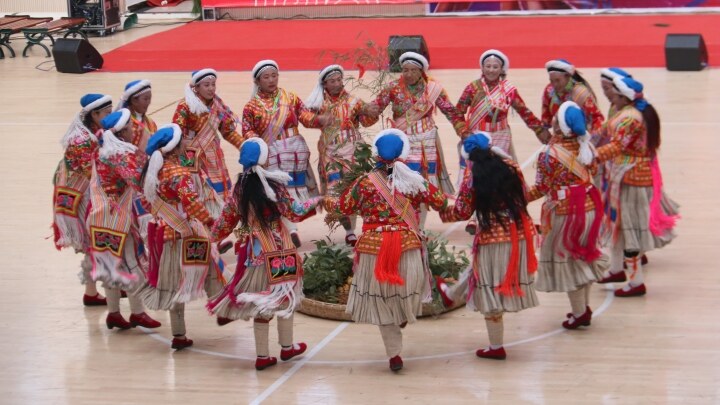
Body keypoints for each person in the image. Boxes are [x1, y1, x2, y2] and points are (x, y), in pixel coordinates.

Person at [328, 128, 448, 372]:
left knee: (380, 301)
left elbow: (342, 207)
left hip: (373, 250)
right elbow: (441, 201)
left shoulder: (364, 183)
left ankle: (394, 355)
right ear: (403, 153)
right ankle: (402, 317)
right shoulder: (414, 180)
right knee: (407, 292)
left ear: (376, 154)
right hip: (407, 247)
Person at [206, 138, 323, 370]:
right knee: (285, 296)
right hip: (280, 249)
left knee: (262, 302)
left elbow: (225, 222)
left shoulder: (240, 189)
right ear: (264, 159)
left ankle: (262, 356)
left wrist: (211, 236)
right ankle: (287, 347)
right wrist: (318, 200)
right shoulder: (275, 186)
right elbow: (295, 211)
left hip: (256, 253)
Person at [437, 132, 538, 360]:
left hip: (493, 238)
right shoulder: (512, 167)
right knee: (479, 273)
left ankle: (496, 346)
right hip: (520, 234)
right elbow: (524, 195)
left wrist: (443, 210)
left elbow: (462, 211)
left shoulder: (472, 178)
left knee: (488, 288)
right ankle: (451, 293)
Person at [139, 123, 225, 349]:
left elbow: (147, 202)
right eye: (183, 140)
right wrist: (210, 221)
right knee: (212, 266)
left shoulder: (154, 172)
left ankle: (179, 335)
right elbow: (191, 203)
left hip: (165, 232)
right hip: (186, 232)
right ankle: (222, 309)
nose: (187, 142)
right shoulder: (179, 173)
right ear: (175, 148)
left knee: (174, 282)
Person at [526, 101, 608, 329]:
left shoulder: (549, 154)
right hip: (590, 209)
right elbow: (593, 171)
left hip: (565, 214)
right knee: (583, 256)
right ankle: (584, 307)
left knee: (571, 263)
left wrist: (519, 199)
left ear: (559, 127)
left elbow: (541, 188)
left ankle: (579, 313)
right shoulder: (586, 147)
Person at [595, 77, 679, 297]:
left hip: (631, 178)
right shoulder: (625, 111)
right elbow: (606, 134)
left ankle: (636, 282)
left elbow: (616, 146)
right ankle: (616, 269)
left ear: (624, 97)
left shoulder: (630, 118)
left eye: (612, 91)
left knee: (629, 229)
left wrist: (592, 156)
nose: (609, 94)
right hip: (623, 175)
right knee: (617, 224)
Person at [369, 52, 470, 228]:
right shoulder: (392, 88)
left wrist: (463, 132)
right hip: (402, 143)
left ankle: (419, 227)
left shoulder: (433, 89)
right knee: (399, 180)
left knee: (423, 183)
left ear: (421, 71)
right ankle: (402, 221)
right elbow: (374, 110)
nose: (408, 74)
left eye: (413, 70)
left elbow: (451, 112)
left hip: (426, 143)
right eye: (405, 70)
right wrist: (361, 112)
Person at [456, 49, 548, 235]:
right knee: (474, 174)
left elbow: (524, 111)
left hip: (501, 137)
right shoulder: (473, 88)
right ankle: (475, 215)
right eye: (488, 66)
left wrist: (539, 130)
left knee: (498, 174)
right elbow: (458, 112)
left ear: (502, 69)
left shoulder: (509, 90)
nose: (491, 70)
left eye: (495, 67)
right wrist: (463, 132)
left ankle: (502, 212)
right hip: (477, 137)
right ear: (482, 67)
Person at [85, 109, 161, 330]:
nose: (133, 130)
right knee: (131, 261)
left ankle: (114, 313)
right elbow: (139, 181)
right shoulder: (119, 156)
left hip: (99, 216)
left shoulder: (104, 149)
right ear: (121, 132)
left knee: (109, 264)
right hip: (117, 218)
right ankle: (137, 313)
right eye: (129, 127)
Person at [242, 60, 328, 247]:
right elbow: (247, 131)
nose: (271, 80)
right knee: (278, 191)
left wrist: (318, 120)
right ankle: (290, 230)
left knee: (293, 190)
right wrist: (257, 148)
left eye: (274, 76)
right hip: (271, 153)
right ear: (257, 81)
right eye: (266, 77)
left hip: (294, 152)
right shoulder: (251, 107)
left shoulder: (290, 98)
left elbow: (305, 116)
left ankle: (291, 229)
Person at [306, 64, 379, 246]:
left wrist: (373, 113)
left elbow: (366, 121)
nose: (337, 83)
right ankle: (349, 231)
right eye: (332, 81)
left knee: (357, 188)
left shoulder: (354, 101)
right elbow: (304, 117)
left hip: (354, 152)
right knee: (337, 191)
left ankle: (364, 227)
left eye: (339, 80)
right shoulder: (318, 103)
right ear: (324, 84)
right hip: (331, 154)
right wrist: (319, 119)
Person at [52, 93, 113, 307]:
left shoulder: (95, 132)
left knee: (96, 242)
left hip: (89, 192)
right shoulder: (81, 140)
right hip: (82, 196)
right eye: (107, 113)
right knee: (93, 242)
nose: (110, 116)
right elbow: (92, 172)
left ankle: (98, 289)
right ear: (94, 114)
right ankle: (96, 290)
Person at [172, 68, 242, 213]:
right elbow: (176, 132)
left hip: (214, 155)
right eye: (206, 85)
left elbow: (228, 131)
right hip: (192, 155)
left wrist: (243, 145)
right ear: (196, 87)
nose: (211, 88)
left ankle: (219, 223)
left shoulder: (218, 106)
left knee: (220, 193)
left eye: (213, 84)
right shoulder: (185, 106)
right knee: (199, 192)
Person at [116, 79, 158, 243]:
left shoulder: (150, 122)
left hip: (147, 175)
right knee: (137, 218)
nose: (148, 103)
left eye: (150, 98)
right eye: (145, 99)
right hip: (130, 178)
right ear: (133, 100)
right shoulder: (124, 125)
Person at [541, 59, 604, 138]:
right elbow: (546, 115)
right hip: (559, 138)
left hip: (581, 138)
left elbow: (597, 118)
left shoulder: (581, 93)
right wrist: (544, 130)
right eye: (551, 81)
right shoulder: (549, 91)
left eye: (557, 80)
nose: (555, 84)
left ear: (567, 76)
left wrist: (593, 139)